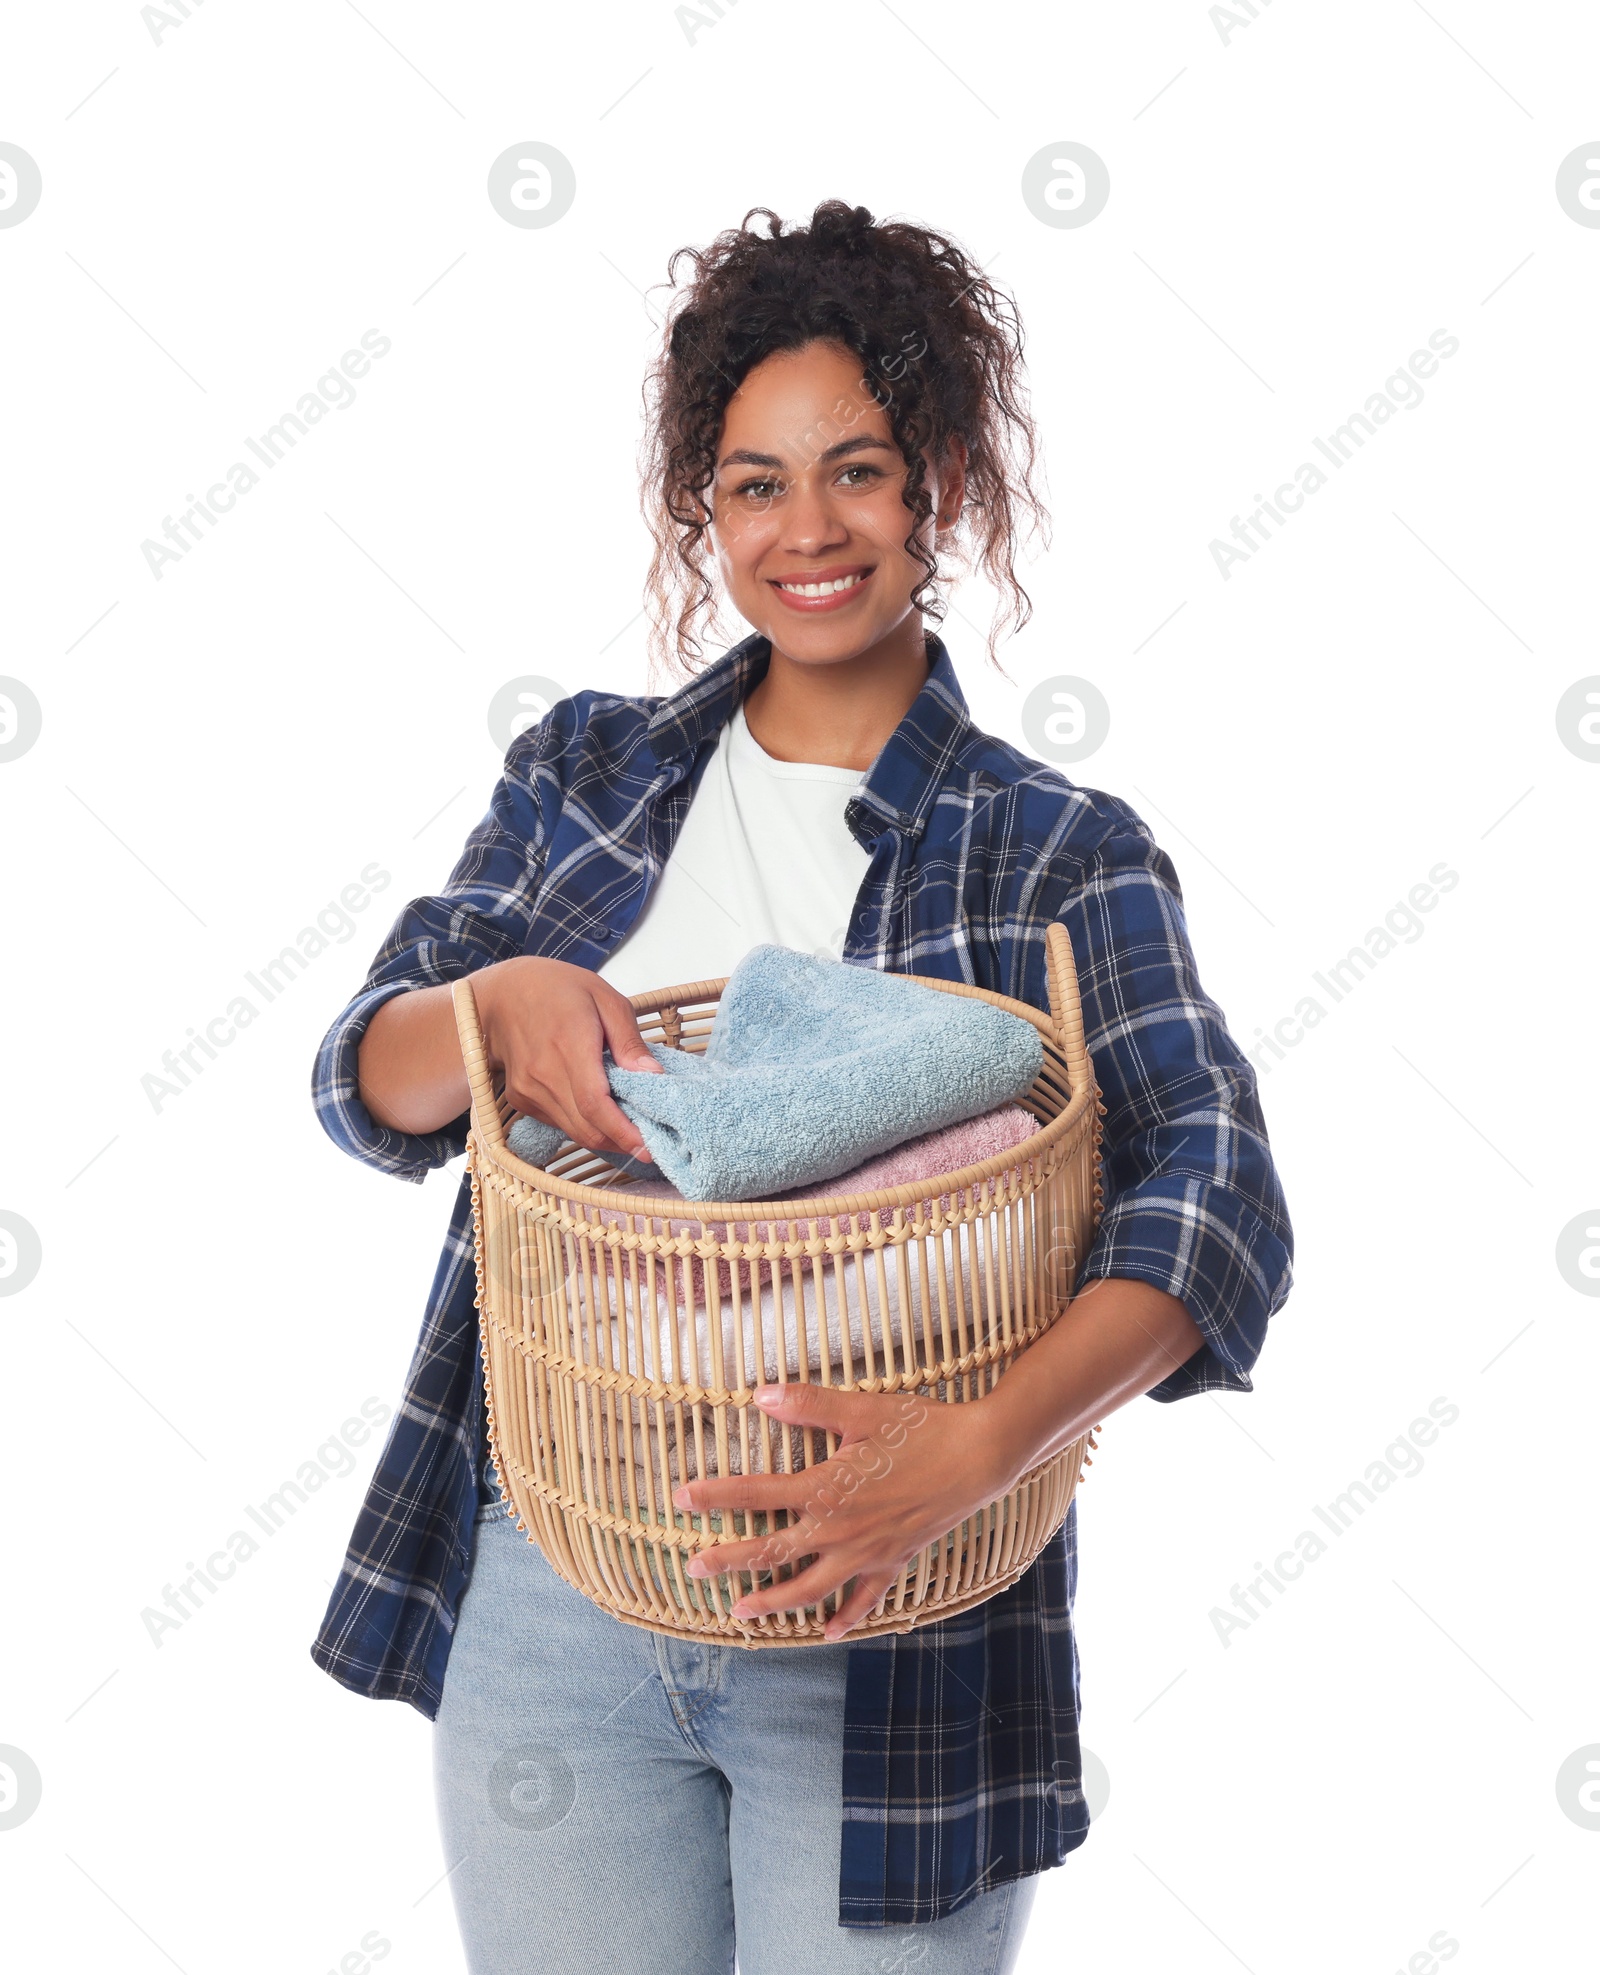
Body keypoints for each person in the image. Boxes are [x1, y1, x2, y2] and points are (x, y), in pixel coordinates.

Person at [310, 199, 1294, 1975]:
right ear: (707, 509)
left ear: (943, 492)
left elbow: (1217, 1195)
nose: (808, 530)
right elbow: (366, 1077)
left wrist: (982, 1447)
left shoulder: (1049, 851)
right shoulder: (592, 768)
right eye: (755, 484)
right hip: (554, 1589)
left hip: (891, 1635)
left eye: (857, 470)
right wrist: (492, 999)